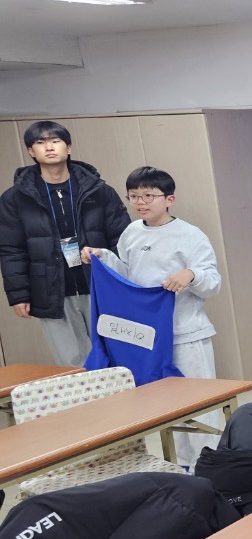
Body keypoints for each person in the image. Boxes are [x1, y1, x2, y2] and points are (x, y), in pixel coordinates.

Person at [81, 167, 222, 469]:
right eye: (134, 196)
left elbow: (213, 283)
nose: (140, 202)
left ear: (169, 199)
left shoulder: (190, 235)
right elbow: (127, 276)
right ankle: (183, 468)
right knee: (170, 409)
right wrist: (104, 258)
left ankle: (209, 467)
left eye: (148, 195)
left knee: (201, 406)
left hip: (186, 334)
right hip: (149, 339)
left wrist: (191, 274)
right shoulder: (132, 232)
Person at [0, 120, 130, 367]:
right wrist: (19, 295)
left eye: (55, 141)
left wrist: (124, 281)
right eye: (41, 142)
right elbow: (11, 250)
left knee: (117, 356)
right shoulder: (15, 198)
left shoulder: (99, 191)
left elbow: (122, 239)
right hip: (51, 291)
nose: (49, 147)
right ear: (31, 151)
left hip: (100, 285)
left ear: (68, 148)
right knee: (73, 363)